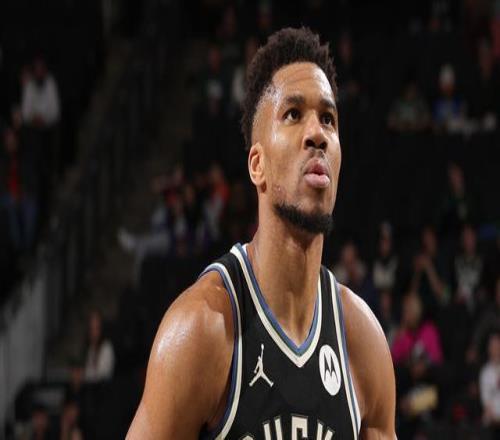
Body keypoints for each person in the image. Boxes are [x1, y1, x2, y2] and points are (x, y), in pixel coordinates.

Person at [128, 27, 396, 439]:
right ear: (258, 165)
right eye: (293, 114)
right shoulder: (202, 330)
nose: (317, 134)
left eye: (328, 119)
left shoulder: (362, 342)